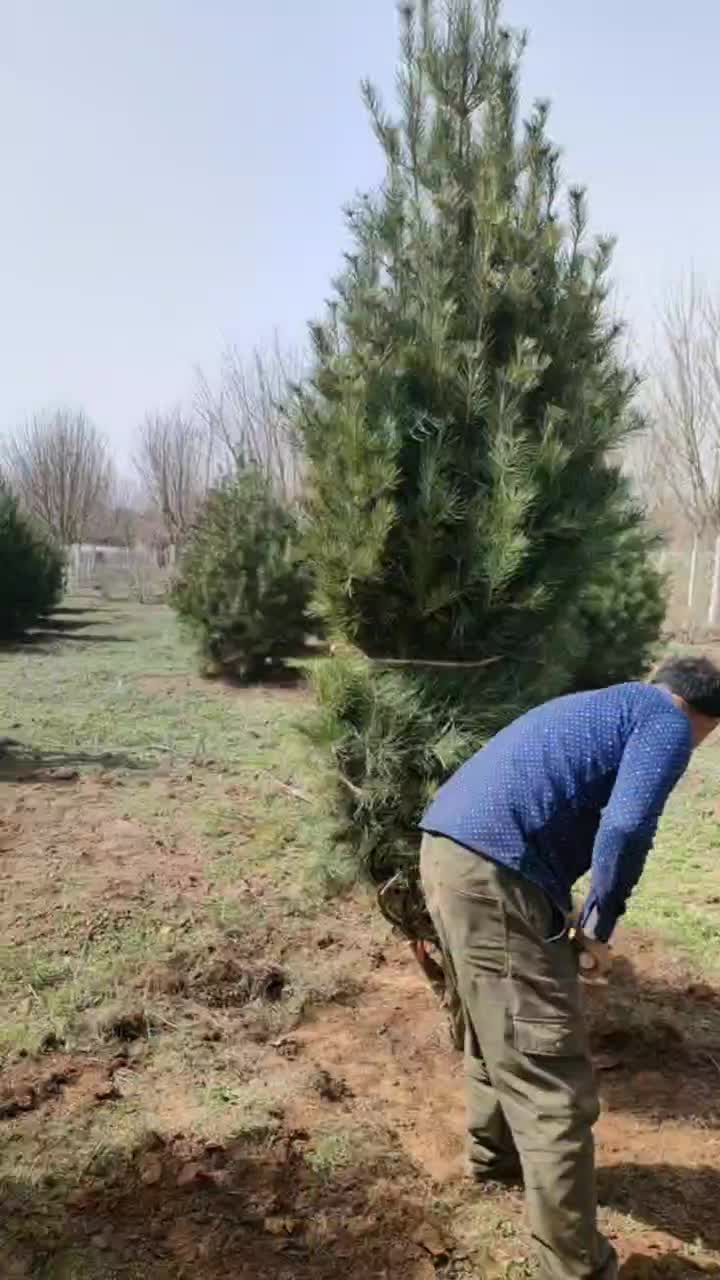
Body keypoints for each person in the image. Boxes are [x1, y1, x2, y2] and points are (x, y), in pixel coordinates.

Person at [419, 656, 720, 1280]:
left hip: (450, 847)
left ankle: (494, 1157)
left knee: (497, 1021)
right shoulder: (667, 723)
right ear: (703, 718)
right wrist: (600, 923)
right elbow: (629, 824)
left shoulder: (610, 702)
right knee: (549, 1074)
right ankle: (577, 1268)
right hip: (495, 868)